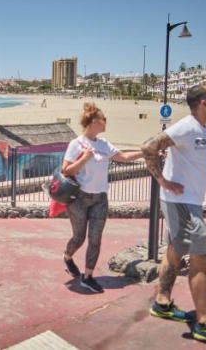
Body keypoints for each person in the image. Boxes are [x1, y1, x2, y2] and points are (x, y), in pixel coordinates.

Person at [140, 85, 206, 346]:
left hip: (188, 201)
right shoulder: (186, 126)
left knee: (175, 250)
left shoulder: (205, 129)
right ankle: (204, 323)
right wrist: (163, 181)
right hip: (180, 201)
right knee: (200, 259)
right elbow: (148, 146)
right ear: (204, 102)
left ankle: (162, 303)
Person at [62, 102, 143, 293]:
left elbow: (123, 157)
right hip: (80, 199)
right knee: (79, 237)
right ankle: (67, 256)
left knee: (95, 239)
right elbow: (66, 170)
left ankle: (88, 276)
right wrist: (84, 159)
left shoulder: (104, 144)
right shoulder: (77, 144)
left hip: (100, 199)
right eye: (103, 119)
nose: (106, 122)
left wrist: (145, 153)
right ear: (93, 122)